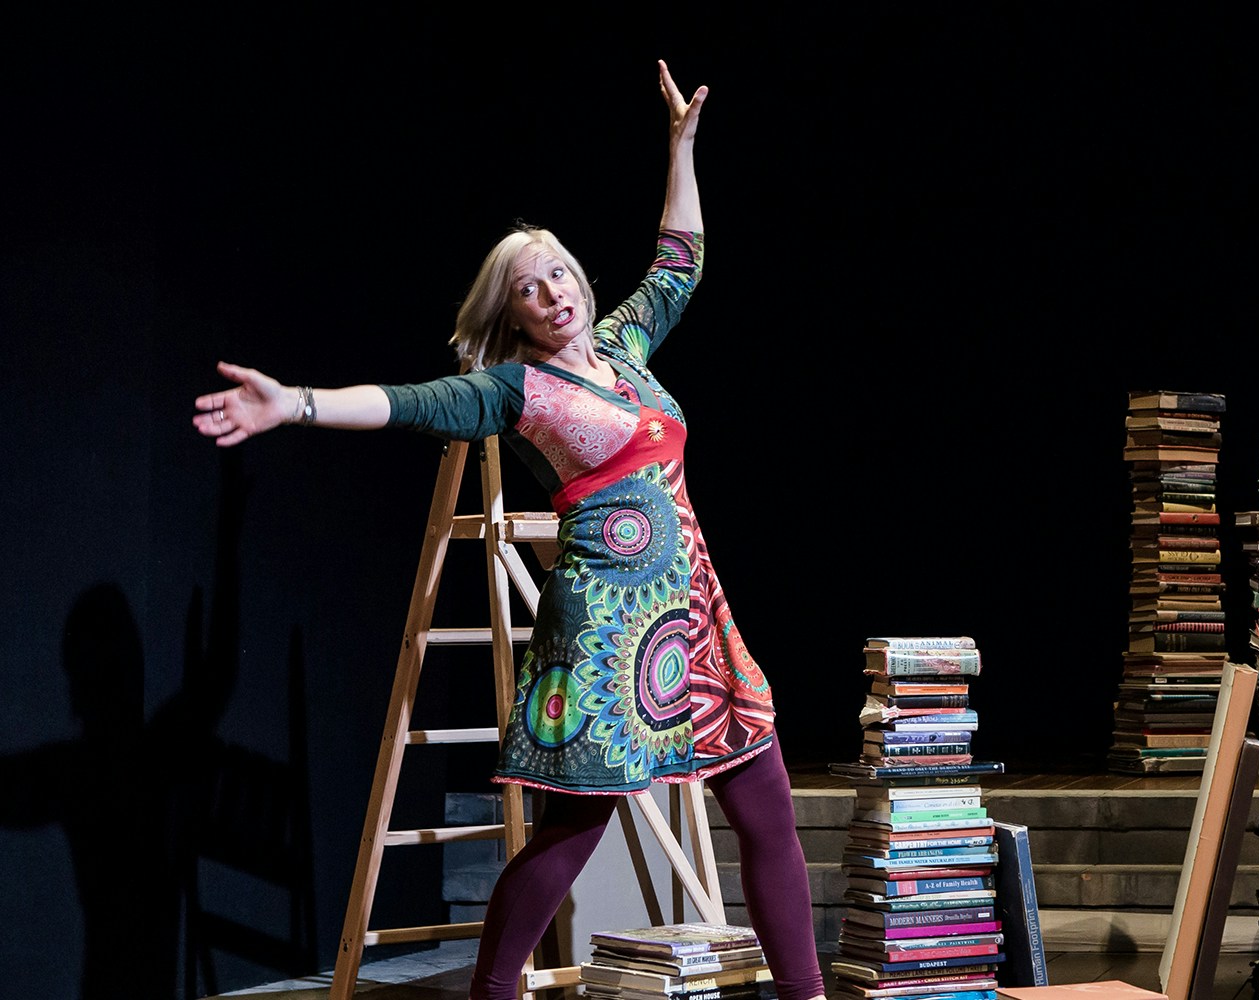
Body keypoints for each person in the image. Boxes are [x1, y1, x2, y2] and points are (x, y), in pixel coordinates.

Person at [193, 59, 825, 1000]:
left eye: (563, 273)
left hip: (693, 616)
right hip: (607, 631)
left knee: (767, 807)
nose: (556, 292)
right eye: (532, 287)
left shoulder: (622, 346)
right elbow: (406, 401)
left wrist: (680, 150)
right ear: (512, 313)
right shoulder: (515, 390)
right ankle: (493, 992)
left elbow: (679, 261)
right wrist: (297, 405)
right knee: (572, 832)